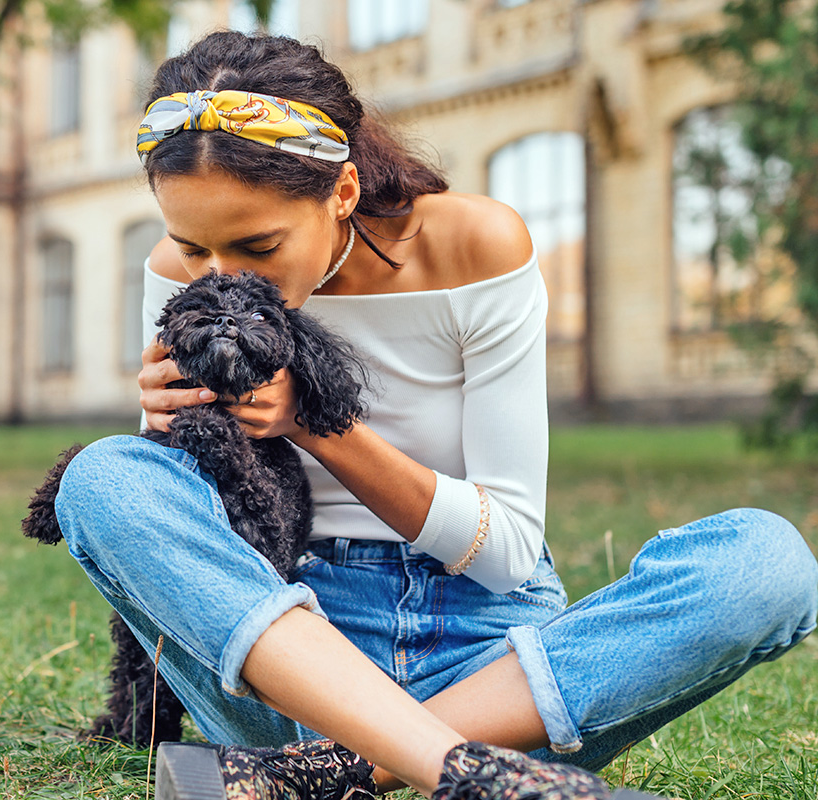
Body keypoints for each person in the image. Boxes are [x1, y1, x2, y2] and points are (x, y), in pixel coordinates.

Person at [52, 31, 818, 800]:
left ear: (342, 192)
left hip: (495, 660)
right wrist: (166, 427)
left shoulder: (475, 246)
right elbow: (187, 537)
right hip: (292, 653)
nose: (220, 278)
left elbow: (508, 554)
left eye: (257, 244)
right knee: (101, 478)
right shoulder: (174, 275)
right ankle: (454, 767)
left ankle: (333, 774)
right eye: (191, 248)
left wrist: (313, 421)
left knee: (767, 562)